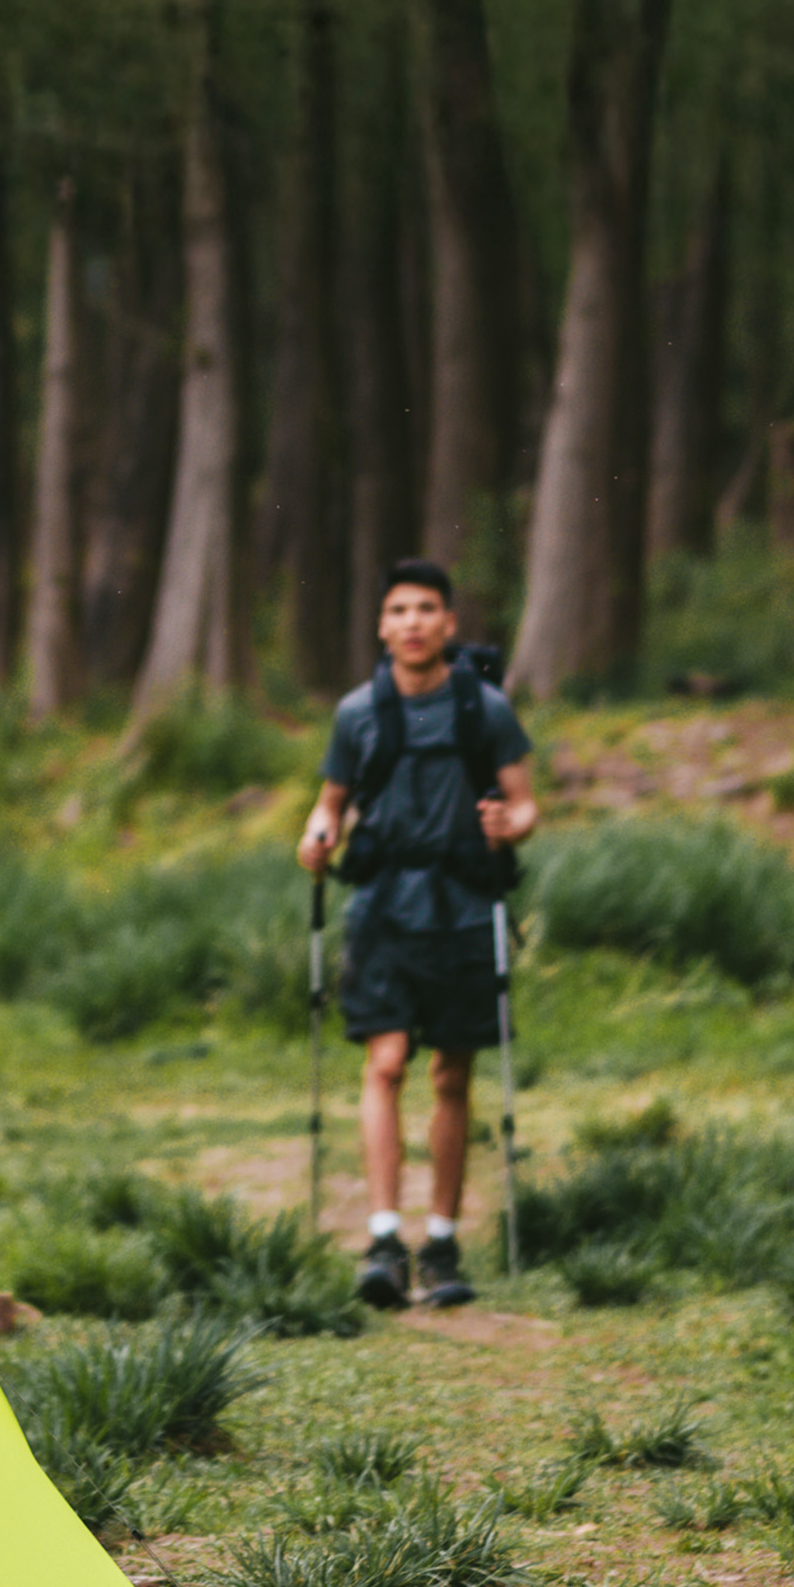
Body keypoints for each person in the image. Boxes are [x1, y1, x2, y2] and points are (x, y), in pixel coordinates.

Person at [295, 560, 540, 1310]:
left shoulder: (485, 708)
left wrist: (508, 822)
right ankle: (381, 1238)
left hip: (464, 903)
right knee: (389, 1062)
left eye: (426, 609)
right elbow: (329, 801)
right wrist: (318, 831)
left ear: (448, 624)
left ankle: (441, 1241)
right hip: (381, 907)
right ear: (381, 626)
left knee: (450, 1076)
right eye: (398, 610)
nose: (412, 622)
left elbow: (527, 805)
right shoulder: (357, 713)